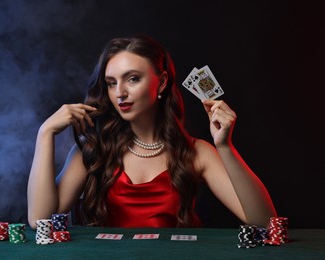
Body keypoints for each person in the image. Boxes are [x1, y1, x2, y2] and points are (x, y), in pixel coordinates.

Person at [27, 34, 277, 229]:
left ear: (163, 81)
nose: (119, 93)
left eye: (132, 78)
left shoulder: (196, 152)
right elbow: (40, 221)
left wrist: (225, 146)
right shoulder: (94, 149)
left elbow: (265, 222)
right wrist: (45, 134)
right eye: (112, 83)